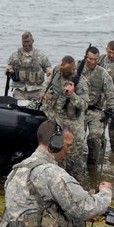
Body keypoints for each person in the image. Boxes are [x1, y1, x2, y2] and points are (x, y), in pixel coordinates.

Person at [40, 55, 89, 183]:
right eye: (62, 72)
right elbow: (48, 81)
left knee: (75, 159)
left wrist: (72, 95)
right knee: (57, 154)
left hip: (73, 122)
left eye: (66, 73)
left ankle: (78, 184)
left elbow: (84, 105)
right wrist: (43, 92)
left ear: (74, 70)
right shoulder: (57, 71)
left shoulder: (82, 83)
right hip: (56, 117)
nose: (63, 74)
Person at [83, 46, 114, 166]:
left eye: (95, 59)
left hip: (96, 110)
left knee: (94, 138)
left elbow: (111, 95)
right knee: (76, 139)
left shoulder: (102, 73)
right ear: (85, 57)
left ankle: (92, 167)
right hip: (78, 110)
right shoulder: (77, 69)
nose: (93, 62)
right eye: (90, 59)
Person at [6, 32, 52, 101]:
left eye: (28, 42)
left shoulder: (40, 55)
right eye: (24, 42)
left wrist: (49, 72)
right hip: (20, 89)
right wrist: (9, 70)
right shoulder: (15, 55)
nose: (26, 44)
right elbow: (9, 67)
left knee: (36, 109)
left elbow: (48, 69)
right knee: (18, 109)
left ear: (33, 41)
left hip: (36, 89)